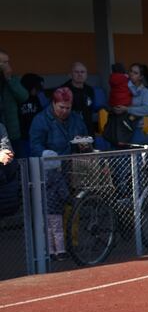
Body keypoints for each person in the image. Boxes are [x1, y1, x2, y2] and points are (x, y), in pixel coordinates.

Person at [29, 87, 88, 261]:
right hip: (50, 173)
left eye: (68, 108)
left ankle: (72, 243)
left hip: (71, 169)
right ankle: (52, 248)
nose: (64, 111)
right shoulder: (40, 120)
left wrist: (84, 144)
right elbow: (35, 146)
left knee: (73, 206)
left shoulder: (76, 119)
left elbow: (84, 135)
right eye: (61, 107)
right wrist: (48, 157)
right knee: (52, 214)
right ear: (53, 104)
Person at [55, 62, 97, 133]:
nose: (80, 74)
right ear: (70, 75)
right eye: (76, 72)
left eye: (82, 72)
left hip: (87, 130)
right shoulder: (63, 91)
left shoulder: (90, 90)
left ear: (86, 75)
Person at [0, 49, 30, 144]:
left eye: (8, 62)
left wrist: (9, 79)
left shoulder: (13, 79)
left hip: (13, 133)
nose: (7, 65)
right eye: (4, 62)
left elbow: (24, 96)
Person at [18, 73, 46, 143]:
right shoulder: (19, 98)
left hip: (37, 134)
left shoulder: (37, 98)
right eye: (35, 88)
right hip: (23, 136)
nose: (36, 90)